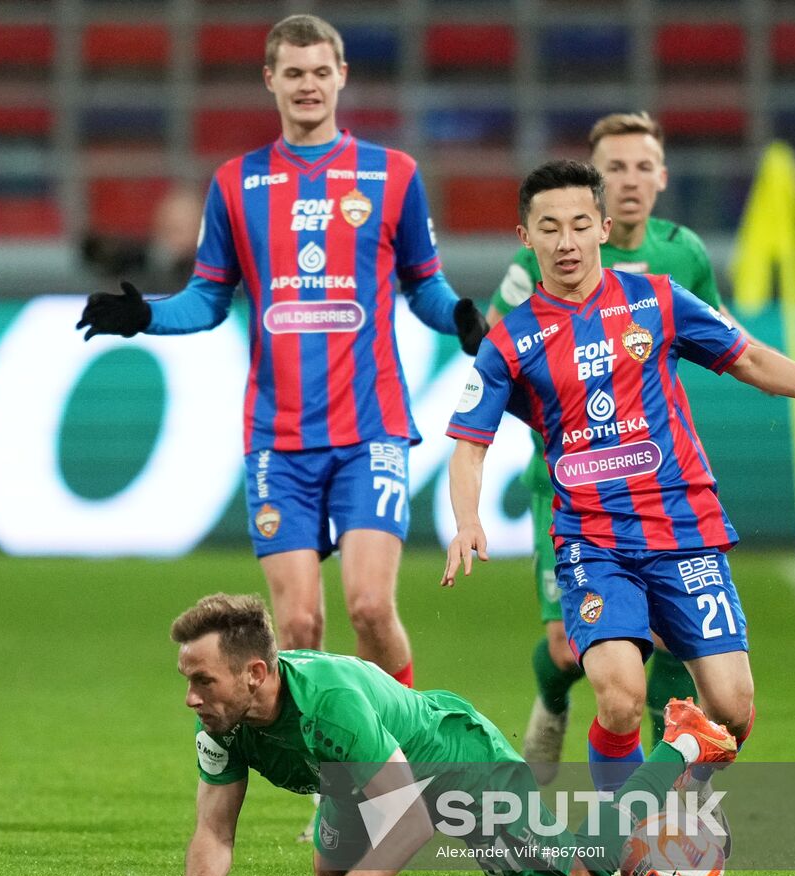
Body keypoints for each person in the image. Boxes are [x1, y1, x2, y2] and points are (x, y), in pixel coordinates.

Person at [443, 160, 795, 799]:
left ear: (603, 228)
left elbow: (747, 356)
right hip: (592, 542)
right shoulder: (510, 340)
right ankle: (623, 836)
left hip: (684, 530)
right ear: (525, 237)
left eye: (580, 225)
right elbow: (469, 445)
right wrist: (468, 519)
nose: (566, 242)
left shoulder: (658, 300)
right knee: (619, 697)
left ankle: (660, 805)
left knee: (732, 708)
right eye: (549, 228)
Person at [77, 14, 487, 690]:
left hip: (369, 429)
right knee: (297, 628)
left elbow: (425, 287)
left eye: (320, 72)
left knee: (370, 607)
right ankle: (337, 780)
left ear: (342, 77)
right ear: (270, 80)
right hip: (280, 438)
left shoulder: (392, 175)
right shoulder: (237, 184)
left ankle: (401, 753)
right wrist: (143, 314)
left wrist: (460, 318)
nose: (308, 85)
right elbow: (207, 300)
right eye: (293, 73)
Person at [153, 592, 737, 876]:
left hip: (455, 765)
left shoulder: (330, 703)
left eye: (203, 681)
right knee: (332, 873)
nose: (189, 698)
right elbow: (215, 828)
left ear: (255, 673)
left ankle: (684, 742)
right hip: (353, 774)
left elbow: (412, 819)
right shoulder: (222, 724)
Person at [486, 112, 726, 783]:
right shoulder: (546, 254)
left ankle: (664, 799)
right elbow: (495, 355)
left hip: (653, 479)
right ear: (594, 183)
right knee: (568, 649)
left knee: (671, 637)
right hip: (567, 488)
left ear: (662, 177)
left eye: (642, 166)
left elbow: (714, 339)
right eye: (614, 168)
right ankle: (552, 697)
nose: (629, 180)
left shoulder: (684, 257)